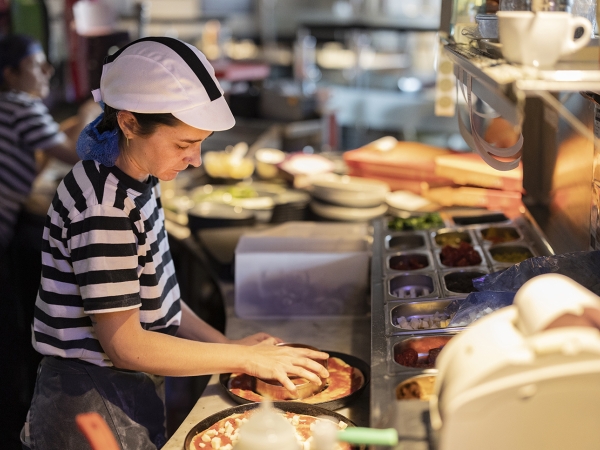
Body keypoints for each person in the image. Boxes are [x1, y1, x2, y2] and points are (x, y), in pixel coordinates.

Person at [22, 36, 329, 450]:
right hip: (88, 402)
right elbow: (127, 346)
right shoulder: (104, 206)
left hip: (121, 387)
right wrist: (244, 358)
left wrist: (226, 345)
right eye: (184, 144)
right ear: (129, 123)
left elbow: (156, 296)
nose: (196, 159)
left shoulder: (139, 178)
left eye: (200, 143)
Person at [0, 34, 96, 450]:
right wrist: (95, 107)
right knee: (7, 339)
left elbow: (51, 139)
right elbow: (79, 151)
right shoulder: (20, 106)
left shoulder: (14, 109)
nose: (47, 71)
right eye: (37, 65)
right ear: (11, 75)